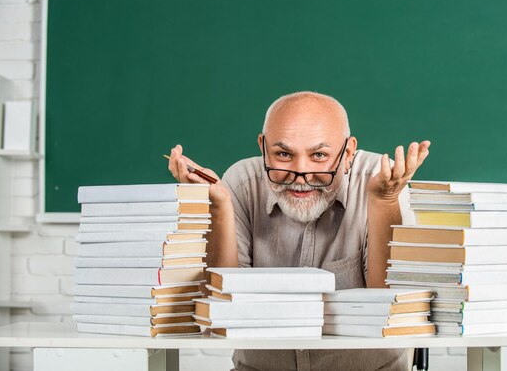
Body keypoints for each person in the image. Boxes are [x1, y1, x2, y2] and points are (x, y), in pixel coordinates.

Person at [168, 91, 430, 371]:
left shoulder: (383, 184)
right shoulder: (241, 183)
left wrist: (385, 201)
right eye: (283, 154)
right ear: (262, 147)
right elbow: (222, 309)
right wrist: (218, 207)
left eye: (319, 155)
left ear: (348, 152)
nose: (300, 174)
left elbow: (389, 305)